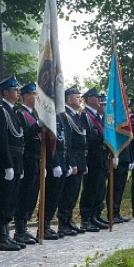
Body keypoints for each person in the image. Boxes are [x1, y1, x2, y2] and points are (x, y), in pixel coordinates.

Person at [0, 76, 27, 250]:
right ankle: (0, 237)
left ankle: (6, 234)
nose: (18, 92)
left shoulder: (13, 111)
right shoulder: (1, 111)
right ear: (6, 92)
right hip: (8, 161)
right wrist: (7, 165)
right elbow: (3, 140)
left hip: (17, 159)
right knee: (3, 198)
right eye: (15, 90)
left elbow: (21, 136)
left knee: (12, 198)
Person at [14, 82, 45, 243]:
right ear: (25, 96)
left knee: (32, 195)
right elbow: (23, 136)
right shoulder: (20, 114)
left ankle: (24, 226)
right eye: (34, 94)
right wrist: (37, 126)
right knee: (25, 194)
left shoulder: (34, 115)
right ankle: (19, 229)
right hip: (26, 159)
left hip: (36, 158)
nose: (36, 97)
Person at [57, 86, 87, 233]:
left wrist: (83, 163)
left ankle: (68, 220)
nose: (79, 99)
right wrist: (72, 162)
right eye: (77, 96)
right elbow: (68, 142)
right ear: (68, 99)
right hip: (72, 158)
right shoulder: (64, 115)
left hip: (80, 158)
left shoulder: (75, 115)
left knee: (74, 193)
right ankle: (63, 223)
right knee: (68, 194)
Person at [79, 87, 108, 231]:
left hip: (101, 157)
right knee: (90, 189)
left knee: (100, 189)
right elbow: (87, 136)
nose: (99, 100)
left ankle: (96, 214)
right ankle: (86, 218)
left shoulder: (97, 117)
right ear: (89, 99)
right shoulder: (85, 116)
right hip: (92, 157)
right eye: (96, 97)